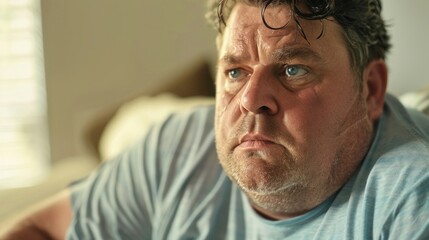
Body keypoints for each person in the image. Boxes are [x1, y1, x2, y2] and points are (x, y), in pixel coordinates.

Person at [2, 0, 429, 239]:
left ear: (370, 89)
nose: (251, 99)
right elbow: (42, 229)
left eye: (293, 69)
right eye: (235, 72)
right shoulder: (176, 148)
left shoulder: (410, 197)